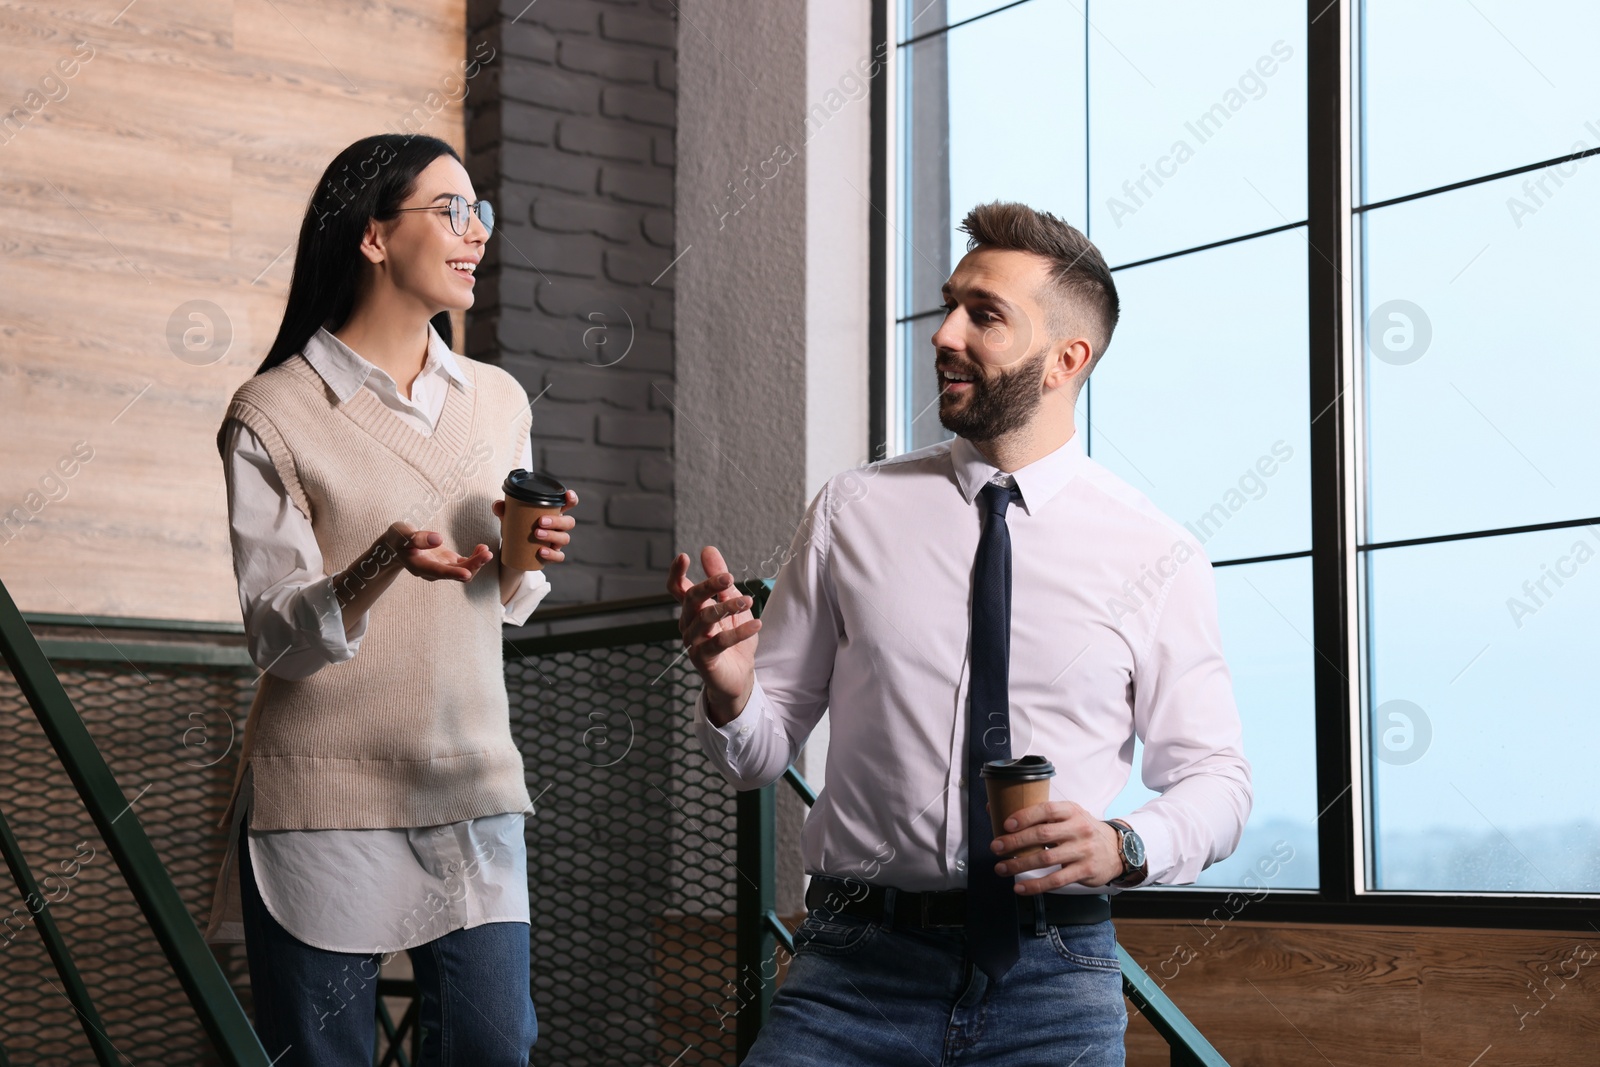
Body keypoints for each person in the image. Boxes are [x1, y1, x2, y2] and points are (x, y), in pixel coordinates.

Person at [668, 201, 1252, 1066]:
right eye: (949, 305)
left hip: (1053, 978)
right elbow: (757, 753)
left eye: (984, 315)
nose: (944, 334)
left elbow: (1217, 780)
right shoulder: (851, 510)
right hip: (851, 970)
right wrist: (731, 691)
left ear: (1067, 359)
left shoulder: (1158, 552)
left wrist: (1125, 844)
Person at [202, 133, 577, 1066]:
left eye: (480, 212)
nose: (477, 232)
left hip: (472, 782)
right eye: (450, 210)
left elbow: (503, 595)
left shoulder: (498, 400)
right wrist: (379, 563)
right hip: (323, 794)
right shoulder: (273, 410)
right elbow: (275, 635)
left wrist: (529, 556)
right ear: (373, 236)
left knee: (496, 1049)